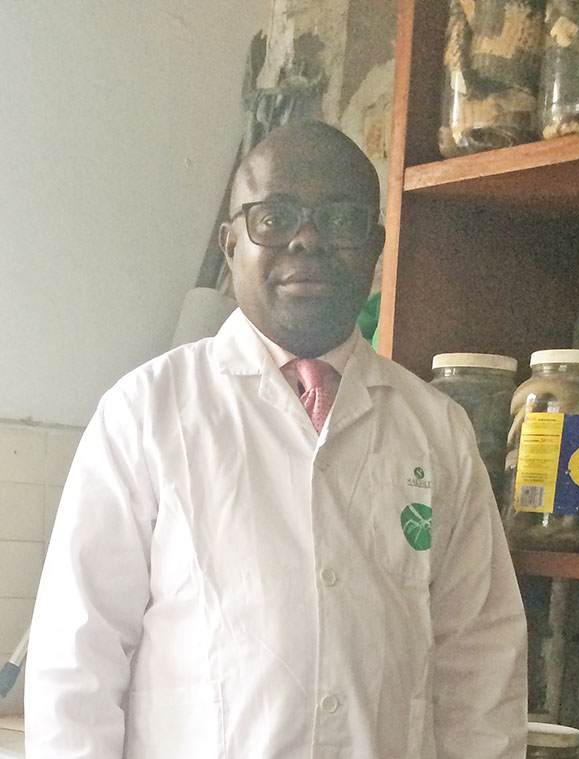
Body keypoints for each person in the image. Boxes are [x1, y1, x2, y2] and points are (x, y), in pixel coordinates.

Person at [25, 121, 528, 758]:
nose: (307, 238)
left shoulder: (437, 429)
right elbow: (78, 661)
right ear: (230, 243)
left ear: (375, 248)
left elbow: (481, 664)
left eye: (339, 219)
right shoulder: (146, 412)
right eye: (274, 217)